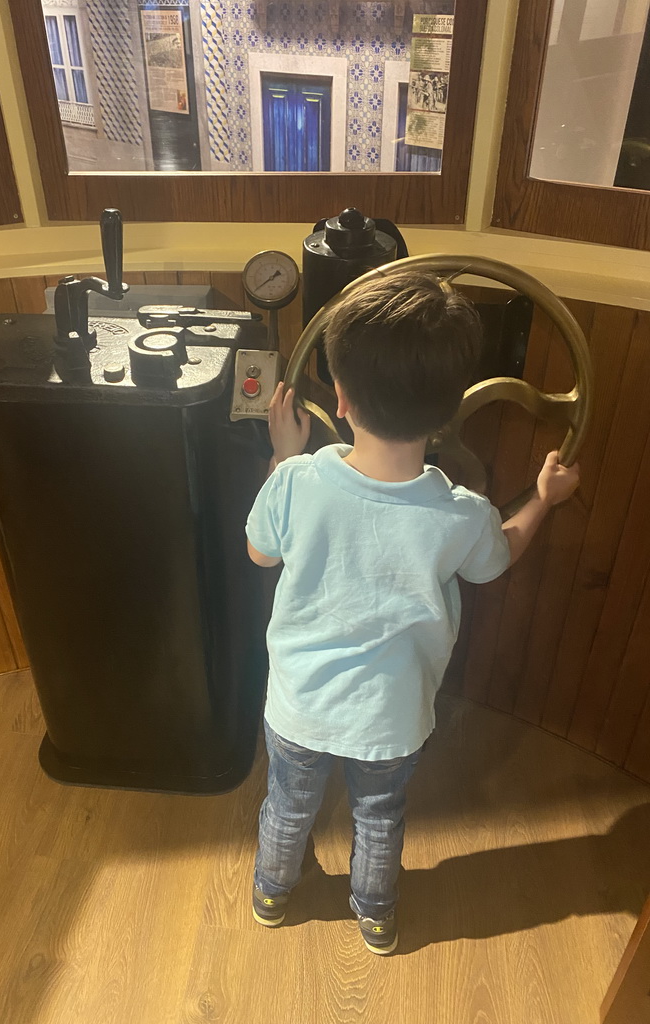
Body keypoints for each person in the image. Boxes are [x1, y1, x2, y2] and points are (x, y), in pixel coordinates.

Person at [244, 270, 580, 955]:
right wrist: (544, 498)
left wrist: (282, 456)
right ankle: (376, 915)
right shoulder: (460, 515)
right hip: (393, 717)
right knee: (379, 816)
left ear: (337, 396)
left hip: (298, 706)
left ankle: (272, 894)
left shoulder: (298, 480)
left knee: (287, 806)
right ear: (447, 410)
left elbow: (260, 554)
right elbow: (501, 557)